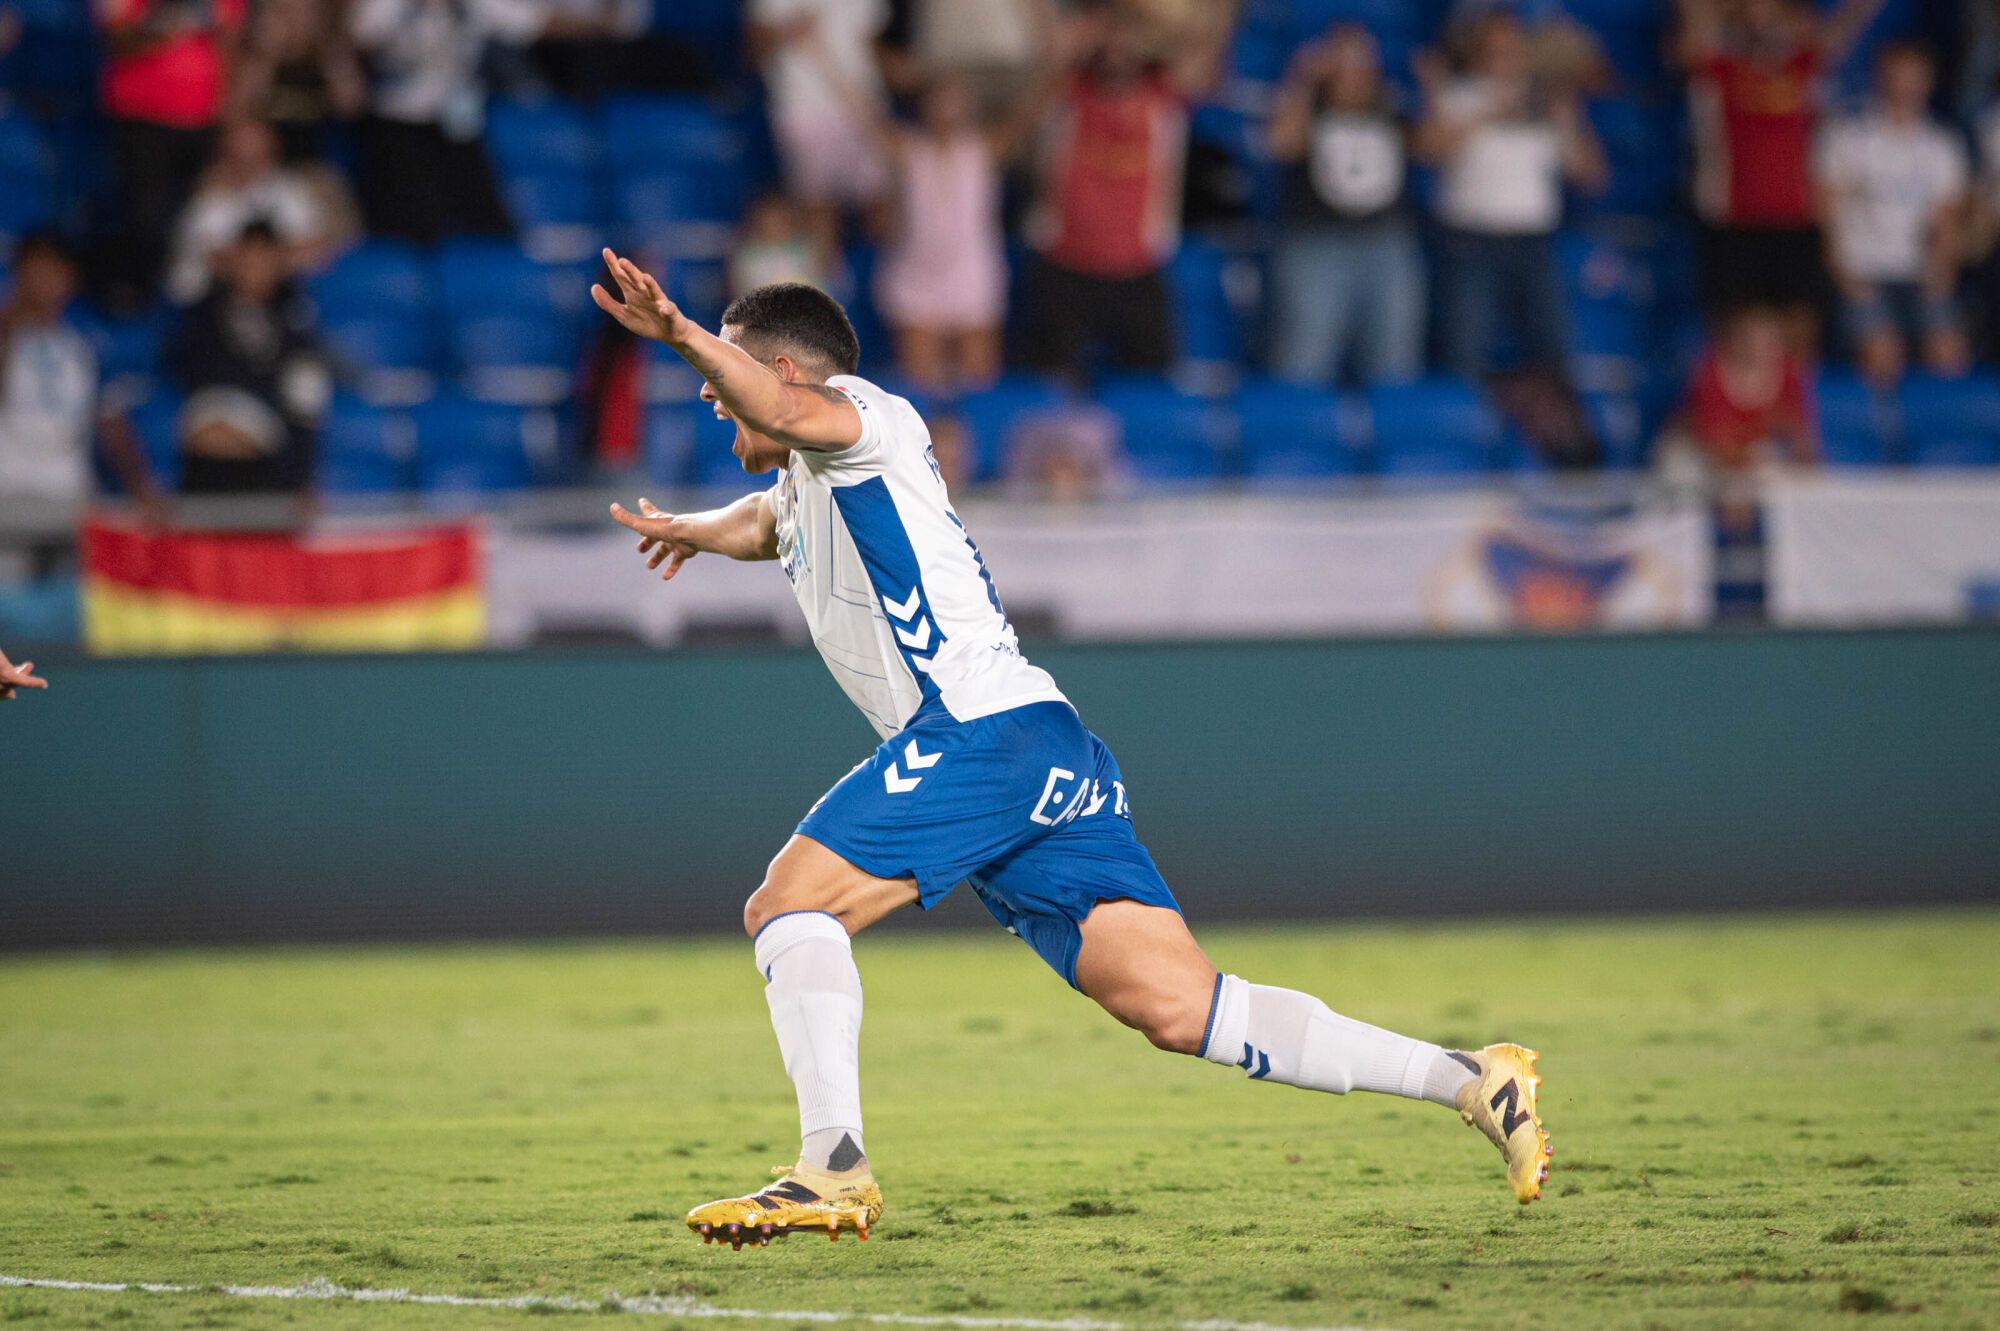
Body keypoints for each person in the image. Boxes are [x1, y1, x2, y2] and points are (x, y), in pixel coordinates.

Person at [587, 248, 1555, 1247]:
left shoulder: (871, 419)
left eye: (724, 377)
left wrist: (678, 333)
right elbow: (763, 521)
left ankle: (830, 1162)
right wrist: (696, 528)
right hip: (1037, 748)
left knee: (787, 903)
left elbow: (789, 420)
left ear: (784, 373)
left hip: (978, 732)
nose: (711, 397)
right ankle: (1473, 1080)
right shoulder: (803, 484)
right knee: (1181, 1007)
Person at [1019, 6, 1232, 381]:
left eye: (1127, 48)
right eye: (1109, 47)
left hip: (1138, 266)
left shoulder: (1164, 98)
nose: (1117, 54)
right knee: (1048, 386)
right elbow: (1048, 61)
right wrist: (1093, 31)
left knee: (1152, 392)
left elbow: (1204, 53)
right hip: (1064, 262)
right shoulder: (1066, 95)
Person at [1677, 0, 1889, 350]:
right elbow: (1695, 24)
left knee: (1801, 328)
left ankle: (1793, 400)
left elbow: (1842, 30)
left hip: (1797, 217)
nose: (1767, 29)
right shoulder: (1721, 70)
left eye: (1776, 20)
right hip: (1734, 218)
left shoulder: (1803, 68)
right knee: (1734, 330)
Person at [1417, 8, 1606, 386]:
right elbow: (1428, 149)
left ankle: (1554, 436)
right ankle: (1464, 435)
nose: (1502, 55)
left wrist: (1568, 116)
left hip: (1532, 243)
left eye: (1510, 47)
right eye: (1493, 47)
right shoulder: (1459, 95)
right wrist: (1490, 111)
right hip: (1470, 241)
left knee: (1552, 352)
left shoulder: (1546, 104)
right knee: (1463, 353)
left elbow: (1591, 176)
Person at [1265, 23, 1425, 386]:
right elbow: (1280, 142)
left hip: (1388, 246)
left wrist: (1431, 87)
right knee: (1304, 363)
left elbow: (1437, 146)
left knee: (1395, 366)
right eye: (1343, 59)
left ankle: (1396, 442)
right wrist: (1302, 80)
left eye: (1362, 60)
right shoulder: (1310, 110)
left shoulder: (1391, 109)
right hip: (1316, 247)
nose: (1353, 70)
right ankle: (1298, 441)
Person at [1816, 42, 1974, 385]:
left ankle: (1940, 437)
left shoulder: (1941, 145)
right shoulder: (1848, 138)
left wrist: (1941, 273)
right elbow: (1827, 211)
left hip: (1919, 271)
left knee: (1949, 355)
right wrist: (1844, 275)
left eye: (1915, 78)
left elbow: (1946, 220)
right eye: (1898, 77)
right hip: (1862, 270)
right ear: (1880, 79)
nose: (1906, 86)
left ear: (1928, 82)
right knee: (1880, 354)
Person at [0, 232, 161, 539]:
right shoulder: (6, 334)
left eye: (54, 270)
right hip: (8, 491)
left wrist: (141, 485)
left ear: (69, 278)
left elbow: (110, 420)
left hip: (68, 492)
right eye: (35, 269)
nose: (44, 279)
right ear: (18, 274)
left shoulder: (82, 346)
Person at [93, 0, 249, 307]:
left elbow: (231, 46)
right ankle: (135, 295)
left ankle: (195, 303)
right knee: (146, 217)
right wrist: (169, 25)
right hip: (142, 118)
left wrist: (230, 115)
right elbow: (116, 42)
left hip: (203, 121)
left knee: (198, 216)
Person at [347, 0, 540, 245]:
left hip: (458, 125)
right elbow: (357, 37)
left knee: (490, 223)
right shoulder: (386, 6)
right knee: (414, 224)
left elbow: (533, 22)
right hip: (398, 125)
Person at [165, 221, 329, 495]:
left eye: (264, 260)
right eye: (247, 259)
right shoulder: (201, 315)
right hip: (199, 464)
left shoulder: (295, 331)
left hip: (259, 468)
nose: (253, 270)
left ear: (279, 264)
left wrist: (302, 481)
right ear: (233, 260)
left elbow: (305, 405)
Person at [872, 74, 1012, 395]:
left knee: (979, 389)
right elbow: (862, 115)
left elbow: (1031, 111)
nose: (946, 109)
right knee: (918, 391)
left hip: (972, 273)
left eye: (954, 100)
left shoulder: (984, 149)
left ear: (968, 108)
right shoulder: (909, 150)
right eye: (939, 100)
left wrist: (1059, 63)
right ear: (925, 107)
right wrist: (822, 58)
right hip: (918, 274)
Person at [749, 0, 895, 253]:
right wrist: (787, 32)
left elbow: (871, 43)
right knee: (818, 204)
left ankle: (875, 282)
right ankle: (822, 284)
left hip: (861, 100)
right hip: (803, 104)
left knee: (884, 199)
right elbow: (753, 48)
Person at [165, 117, 352, 305]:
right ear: (224, 155)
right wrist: (264, 263)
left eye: (259, 155)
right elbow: (216, 258)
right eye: (240, 156)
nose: (250, 164)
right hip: (209, 302)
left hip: (282, 297)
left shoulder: (287, 188)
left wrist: (265, 264)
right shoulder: (210, 197)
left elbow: (315, 244)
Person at [228, 0, 366, 165]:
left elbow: (350, 106)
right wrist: (267, 57)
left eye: (305, 12)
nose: (296, 20)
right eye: (287, 11)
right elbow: (237, 110)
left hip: (316, 165)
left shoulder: (329, 55)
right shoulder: (260, 57)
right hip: (266, 165)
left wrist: (330, 55)